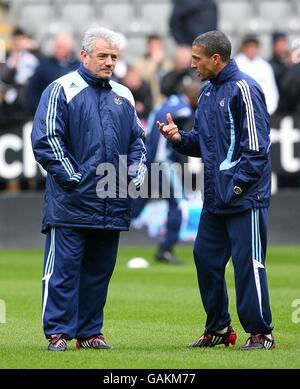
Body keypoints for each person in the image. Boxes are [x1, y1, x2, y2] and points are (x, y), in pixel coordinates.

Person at [31, 26, 146, 351]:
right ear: (84, 56)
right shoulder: (60, 89)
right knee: (63, 272)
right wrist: (76, 180)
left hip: (112, 202)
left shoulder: (124, 94)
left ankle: (90, 332)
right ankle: (57, 333)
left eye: (113, 57)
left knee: (98, 274)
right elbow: (46, 140)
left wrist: (134, 175)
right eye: (103, 56)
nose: (109, 62)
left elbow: (138, 141)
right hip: (71, 202)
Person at [158, 31, 275, 350]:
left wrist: (236, 186)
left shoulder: (245, 89)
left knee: (248, 263)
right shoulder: (208, 93)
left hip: (243, 197)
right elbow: (204, 143)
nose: (191, 64)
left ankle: (261, 332)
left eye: (196, 59)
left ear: (216, 59)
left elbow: (257, 149)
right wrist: (179, 138)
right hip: (215, 197)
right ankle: (220, 327)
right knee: (205, 258)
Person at [132, 78, 201, 264]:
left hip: (147, 159)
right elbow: (172, 138)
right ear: (193, 95)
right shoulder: (185, 110)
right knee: (178, 204)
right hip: (162, 161)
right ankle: (166, 249)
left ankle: (100, 236)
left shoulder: (168, 102)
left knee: (135, 204)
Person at [235, 34, 279, 115]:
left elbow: (271, 90)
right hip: (240, 113)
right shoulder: (236, 64)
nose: (252, 49)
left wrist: (268, 110)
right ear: (244, 47)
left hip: (262, 112)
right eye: (249, 46)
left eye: (254, 46)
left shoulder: (265, 66)